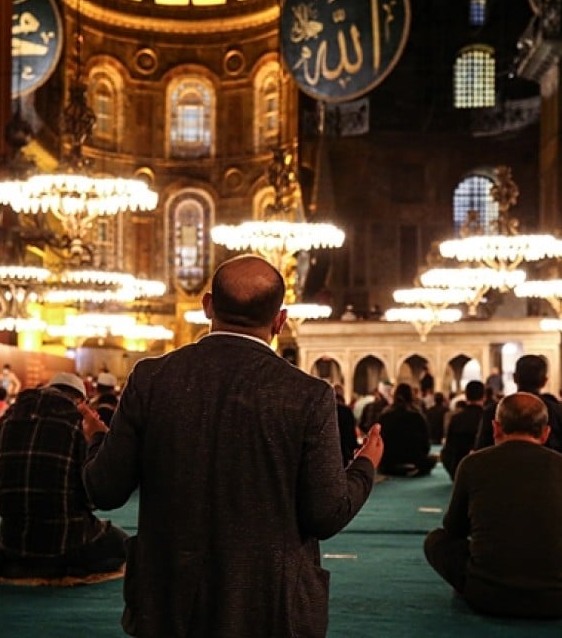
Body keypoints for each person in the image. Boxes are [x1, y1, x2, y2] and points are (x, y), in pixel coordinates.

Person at [79, 255, 383, 638]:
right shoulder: (308, 395)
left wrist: (95, 439)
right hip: (271, 604)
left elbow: (104, 490)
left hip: (169, 601)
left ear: (207, 306)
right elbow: (325, 514)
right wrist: (364, 466)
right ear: (280, 320)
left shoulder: (151, 379)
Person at [424, 393, 562, 619]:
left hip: (485, 597)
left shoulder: (473, 464)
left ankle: (473, 580)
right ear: (546, 433)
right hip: (558, 601)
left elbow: (453, 529)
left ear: (496, 429)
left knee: (435, 540)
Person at [0, 374, 128, 580]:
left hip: (14, 542)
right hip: (65, 542)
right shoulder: (77, 423)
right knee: (121, 542)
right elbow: (97, 496)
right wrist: (98, 438)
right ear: (81, 402)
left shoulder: (7, 418)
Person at [474, 355, 562, 461]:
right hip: (548, 475)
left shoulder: (493, 411)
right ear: (544, 381)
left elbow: (480, 453)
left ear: (515, 378)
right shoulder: (558, 412)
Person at [378, 383, 437, 477]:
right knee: (433, 459)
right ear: (412, 396)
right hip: (414, 461)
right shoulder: (417, 416)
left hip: (388, 463)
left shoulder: (385, 415)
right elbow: (426, 445)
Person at [440, 381, 485, 479]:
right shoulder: (487, 417)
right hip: (483, 471)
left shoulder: (456, 418)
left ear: (466, 396)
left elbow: (448, 447)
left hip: (458, 471)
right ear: (483, 396)